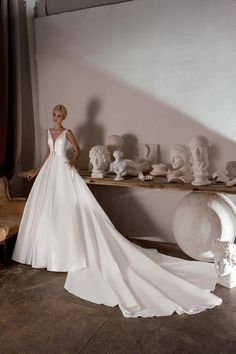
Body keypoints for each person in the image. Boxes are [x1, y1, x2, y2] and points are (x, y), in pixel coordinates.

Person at [12, 104, 222, 318]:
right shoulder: (48, 132)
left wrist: (71, 162)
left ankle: (66, 255)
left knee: (68, 212)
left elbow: (78, 151)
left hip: (63, 170)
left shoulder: (67, 133)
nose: (56, 118)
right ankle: (48, 255)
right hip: (49, 172)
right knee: (50, 212)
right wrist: (37, 171)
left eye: (59, 115)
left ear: (64, 117)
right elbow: (47, 153)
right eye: (54, 115)